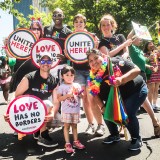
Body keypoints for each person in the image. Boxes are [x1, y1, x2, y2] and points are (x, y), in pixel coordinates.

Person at [86, 48, 148, 151]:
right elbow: (94, 94)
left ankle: (136, 138)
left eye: (96, 58)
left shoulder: (115, 62)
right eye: (90, 61)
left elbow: (137, 70)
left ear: (102, 56)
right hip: (117, 97)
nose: (94, 62)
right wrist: (102, 107)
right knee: (106, 111)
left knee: (127, 111)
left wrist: (121, 79)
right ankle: (115, 135)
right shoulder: (92, 77)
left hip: (136, 90)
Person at [4, 52, 60, 148]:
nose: (45, 63)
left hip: (40, 108)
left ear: (52, 63)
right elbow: (16, 95)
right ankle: (42, 135)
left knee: (55, 114)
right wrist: (10, 112)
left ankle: (38, 131)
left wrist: (52, 114)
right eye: (43, 61)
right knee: (46, 104)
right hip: (26, 108)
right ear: (39, 63)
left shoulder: (54, 80)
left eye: (48, 61)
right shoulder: (29, 77)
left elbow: (56, 101)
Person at [72, 14, 104, 136]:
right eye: (76, 22)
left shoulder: (92, 37)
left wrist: (96, 45)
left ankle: (100, 125)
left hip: (91, 70)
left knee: (92, 97)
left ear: (85, 24)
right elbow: (69, 53)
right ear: (74, 24)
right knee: (84, 98)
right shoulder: (71, 38)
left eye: (81, 22)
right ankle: (90, 125)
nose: (79, 24)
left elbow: (98, 54)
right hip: (78, 71)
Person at [127, 31, 160, 137]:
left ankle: (154, 122)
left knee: (143, 97)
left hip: (142, 74)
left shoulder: (138, 50)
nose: (141, 39)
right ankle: (154, 122)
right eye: (139, 37)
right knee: (141, 97)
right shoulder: (131, 47)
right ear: (134, 39)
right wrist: (135, 29)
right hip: (135, 74)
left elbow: (141, 61)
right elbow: (128, 37)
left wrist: (147, 66)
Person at [9, 18, 43, 93]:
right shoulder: (22, 41)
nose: (36, 31)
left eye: (38, 29)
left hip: (36, 78)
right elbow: (11, 56)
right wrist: (8, 46)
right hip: (21, 76)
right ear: (30, 29)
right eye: (34, 29)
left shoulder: (44, 43)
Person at [57, 66, 85, 153]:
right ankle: (67, 143)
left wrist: (79, 92)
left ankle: (76, 141)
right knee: (66, 126)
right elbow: (59, 99)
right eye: (67, 75)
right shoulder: (61, 87)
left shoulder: (76, 85)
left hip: (75, 110)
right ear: (62, 76)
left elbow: (82, 96)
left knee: (75, 126)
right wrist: (67, 96)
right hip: (66, 111)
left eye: (72, 75)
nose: (70, 77)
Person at [44, 8, 72, 77]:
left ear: (63, 16)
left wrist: (65, 57)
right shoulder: (46, 29)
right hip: (48, 65)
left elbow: (71, 51)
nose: (57, 17)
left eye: (59, 15)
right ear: (52, 17)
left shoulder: (69, 32)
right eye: (54, 15)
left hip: (62, 66)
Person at [143, 41, 160, 111]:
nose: (151, 45)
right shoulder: (144, 54)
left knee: (156, 89)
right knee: (151, 89)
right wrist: (149, 57)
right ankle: (149, 105)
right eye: (149, 44)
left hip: (157, 71)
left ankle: (154, 104)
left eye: (152, 44)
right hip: (150, 72)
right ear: (146, 46)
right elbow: (144, 62)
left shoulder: (156, 53)